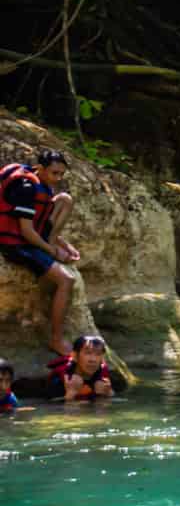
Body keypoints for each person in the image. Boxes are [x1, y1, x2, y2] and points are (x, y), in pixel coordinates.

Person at [0, 148, 81, 353]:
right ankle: (56, 339)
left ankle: (51, 244)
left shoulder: (42, 185)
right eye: (55, 173)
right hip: (15, 243)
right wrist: (53, 252)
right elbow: (26, 232)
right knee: (66, 280)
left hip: (29, 236)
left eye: (61, 174)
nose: (58, 178)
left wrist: (63, 244)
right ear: (40, 169)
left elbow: (39, 220)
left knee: (65, 199)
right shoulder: (26, 187)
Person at [48, 334, 112, 402]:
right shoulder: (60, 378)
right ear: (74, 356)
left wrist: (107, 393)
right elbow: (53, 406)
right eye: (88, 353)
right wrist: (70, 394)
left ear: (102, 358)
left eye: (98, 354)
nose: (93, 360)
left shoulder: (102, 371)